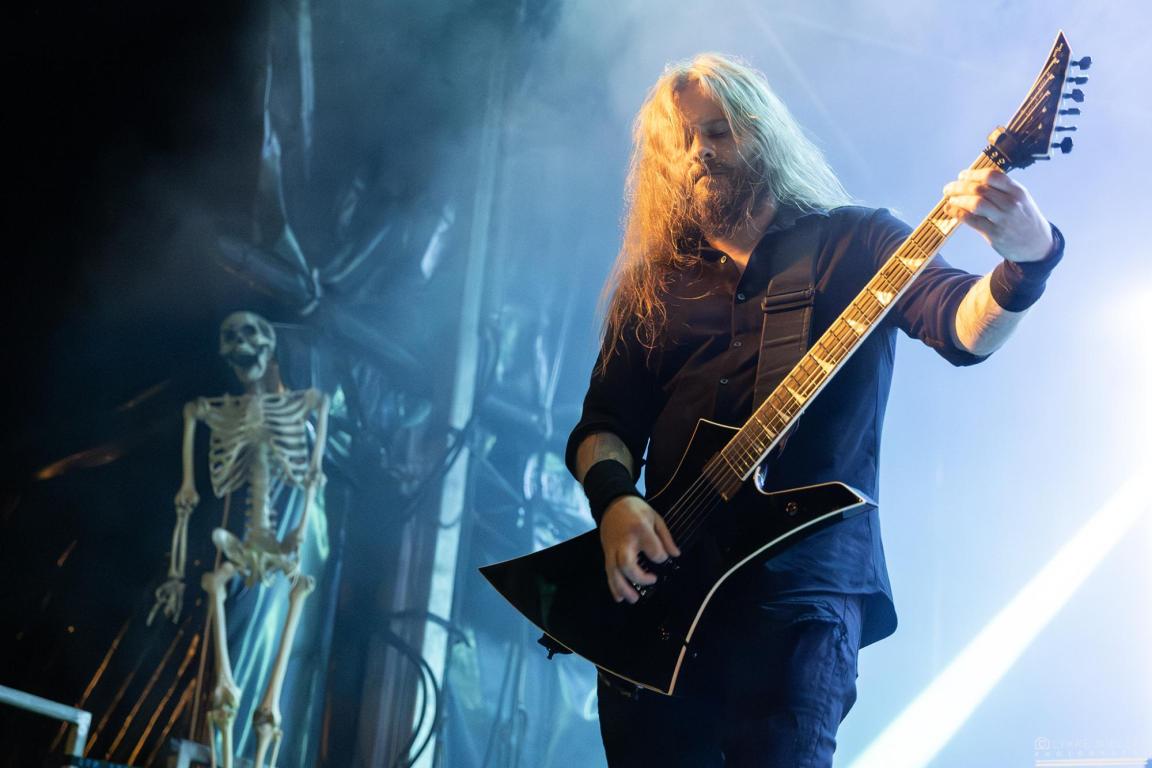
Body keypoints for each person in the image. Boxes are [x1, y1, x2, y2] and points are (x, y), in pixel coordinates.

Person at [564, 54, 1062, 767]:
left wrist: (1028, 262)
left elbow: (962, 327)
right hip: (661, 614)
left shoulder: (857, 242)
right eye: (682, 142)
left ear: (763, 134)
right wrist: (615, 501)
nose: (700, 151)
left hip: (798, 600)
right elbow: (604, 427)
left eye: (719, 131)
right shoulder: (655, 286)